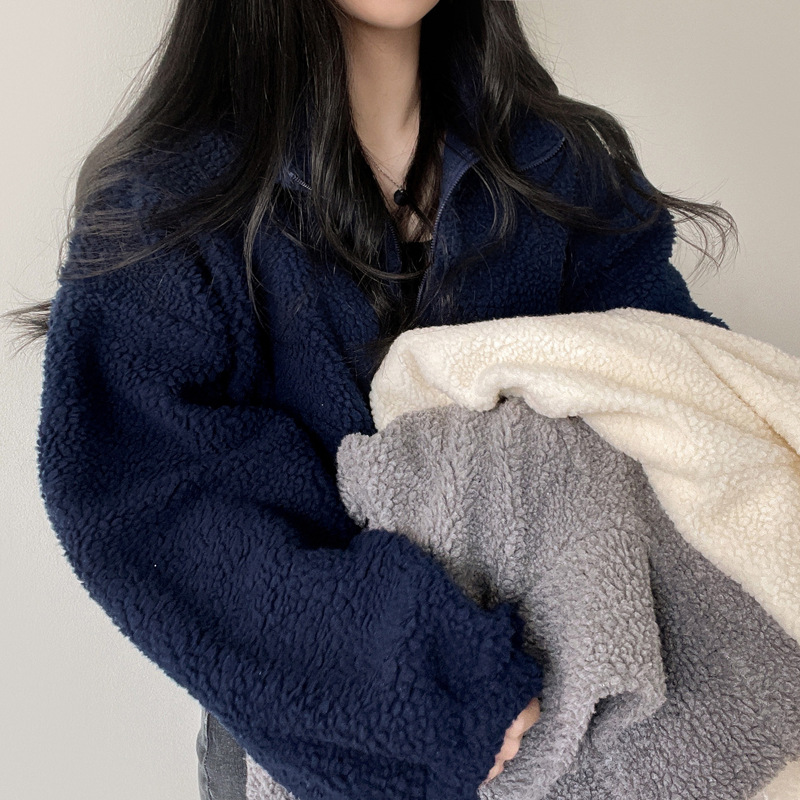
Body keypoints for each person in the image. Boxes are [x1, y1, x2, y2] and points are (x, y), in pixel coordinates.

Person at [6, 1, 735, 799]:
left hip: (591, 732)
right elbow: (146, 501)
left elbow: (680, 405)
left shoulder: (560, 167)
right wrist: (422, 678)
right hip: (317, 752)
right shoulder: (170, 200)